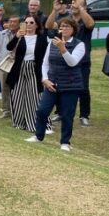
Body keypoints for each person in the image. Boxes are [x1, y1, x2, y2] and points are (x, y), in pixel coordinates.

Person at [25, 18, 85, 152]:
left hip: (70, 85)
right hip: (52, 83)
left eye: (68, 27)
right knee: (42, 110)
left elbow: (72, 62)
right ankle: (38, 136)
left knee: (67, 115)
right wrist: (45, 79)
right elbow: (45, 63)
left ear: (73, 30)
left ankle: (65, 142)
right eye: (63, 26)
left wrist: (63, 49)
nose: (64, 29)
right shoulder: (52, 43)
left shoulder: (79, 44)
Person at [6, 18, 51, 133]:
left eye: (31, 23)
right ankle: (19, 122)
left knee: (34, 96)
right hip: (19, 69)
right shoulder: (20, 37)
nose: (28, 25)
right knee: (17, 94)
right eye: (26, 22)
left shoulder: (41, 39)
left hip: (34, 69)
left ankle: (36, 124)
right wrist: (16, 36)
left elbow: (45, 57)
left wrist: (44, 74)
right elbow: (9, 47)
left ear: (37, 25)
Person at [0, 15, 20, 119]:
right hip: (4, 65)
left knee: (17, 88)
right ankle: (6, 110)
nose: (12, 23)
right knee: (4, 88)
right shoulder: (2, 34)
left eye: (15, 22)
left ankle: (17, 110)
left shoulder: (23, 34)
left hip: (18, 65)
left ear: (19, 24)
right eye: (10, 21)